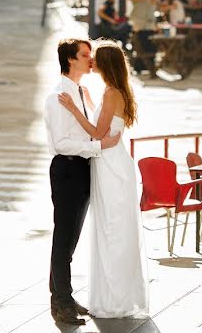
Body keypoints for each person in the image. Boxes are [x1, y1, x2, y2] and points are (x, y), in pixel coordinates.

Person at [57, 40, 149, 318]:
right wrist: (86, 101)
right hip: (110, 162)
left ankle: (114, 299)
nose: (91, 60)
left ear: (106, 63)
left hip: (111, 167)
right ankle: (113, 295)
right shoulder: (113, 92)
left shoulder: (112, 93)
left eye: (95, 57)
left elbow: (98, 133)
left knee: (112, 230)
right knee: (110, 229)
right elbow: (106, 124)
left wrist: (74, 109)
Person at [45, 38, 124, 326]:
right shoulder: (58, 96)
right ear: (70, 60)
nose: (91, 59)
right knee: (64, 238)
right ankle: (61, 302)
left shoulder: (79, 91)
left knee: (71, 238)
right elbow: (62, 142)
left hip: (80, 168)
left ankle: (62, 295)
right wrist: (99, 147)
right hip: (67, 169)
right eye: (84, 54)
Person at [129, 0, 159, 72]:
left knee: (151, 42)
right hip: (139, 18)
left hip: (150, 18)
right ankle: (139, 66)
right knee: (140, 42)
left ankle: (150, 65)